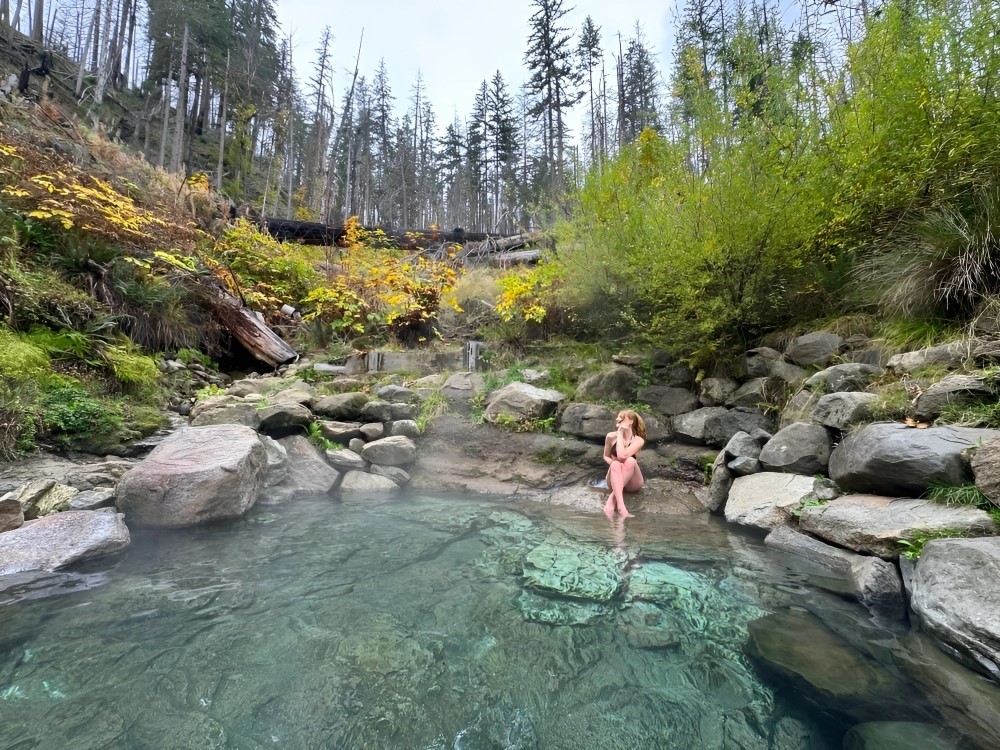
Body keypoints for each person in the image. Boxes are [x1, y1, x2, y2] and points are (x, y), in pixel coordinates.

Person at [603, 409, 646, 518]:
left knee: (630, 460)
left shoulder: (638, 440)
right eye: (618, 417)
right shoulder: (611, 436)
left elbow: (622, 456)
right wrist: (615, 465)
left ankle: (612, 498)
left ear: (631, 421)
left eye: (621, 417)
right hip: (615, 477)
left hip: (632, 482)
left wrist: (621, 433)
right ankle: (621, 508)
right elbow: (606, 456)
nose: (617, 419)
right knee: (615, 464)